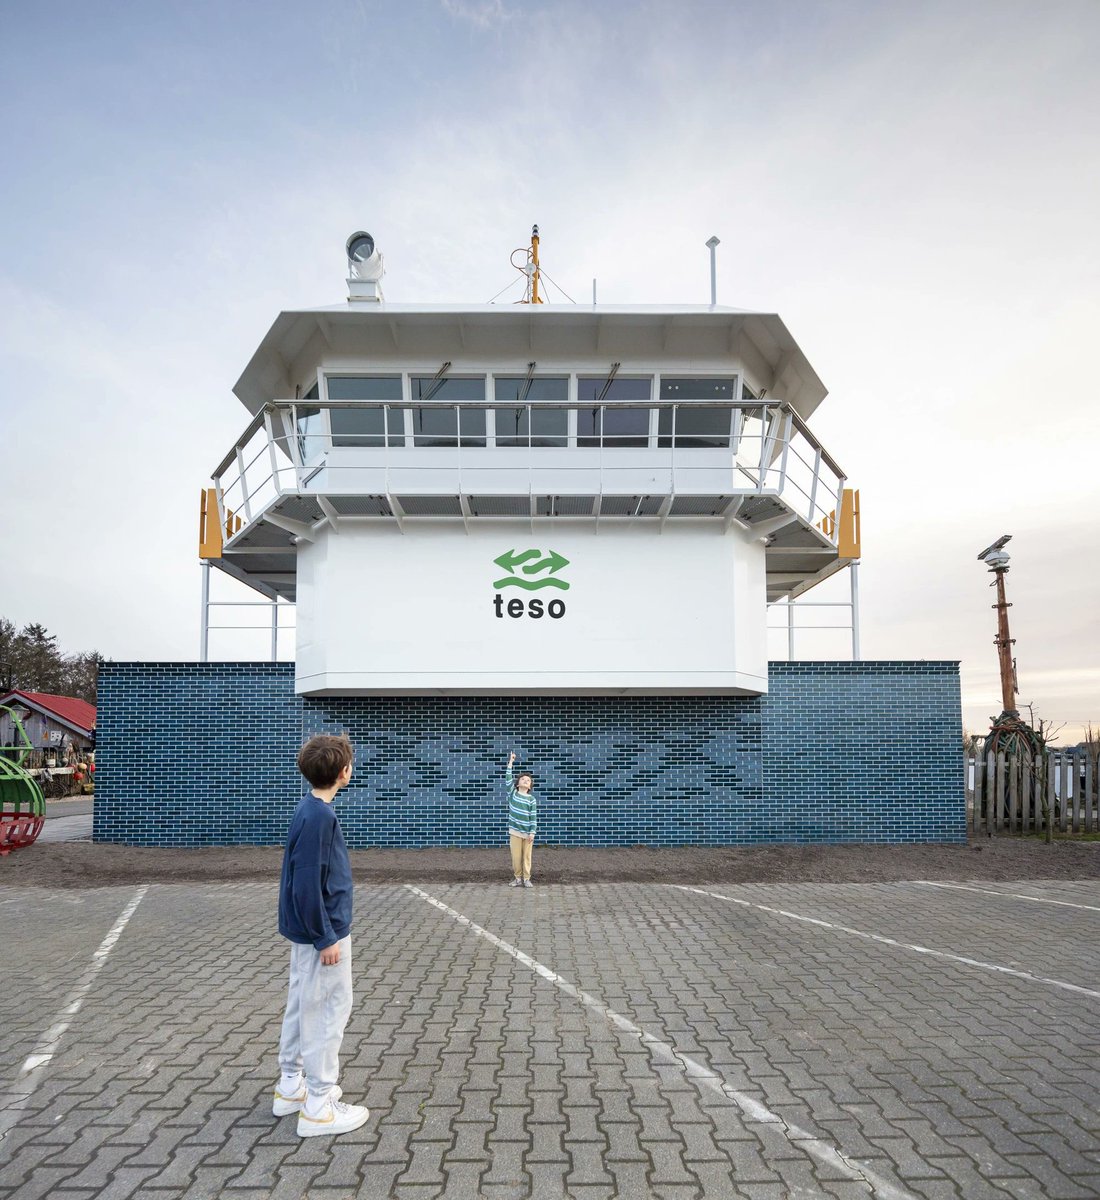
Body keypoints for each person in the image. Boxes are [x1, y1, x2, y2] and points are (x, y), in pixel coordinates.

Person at [272, 733, 369, 1137]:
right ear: (343, 772)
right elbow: (308, 883)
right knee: (327, 1011)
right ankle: (319, 1105)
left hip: (310, 931)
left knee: (302, 1004)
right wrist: (326, 936)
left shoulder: (309, 808)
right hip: (323, 934)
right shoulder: (320, 818)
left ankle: (291, 1086)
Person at [505, 749, 537, 888]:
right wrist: (511, 762)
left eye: (528, 780)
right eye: (523, 779)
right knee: (516, 857)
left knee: (526, 857)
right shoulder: (513, 794)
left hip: (527, 833)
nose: (525, 780)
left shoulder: (531, 799)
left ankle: (527, 878)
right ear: (517, 784)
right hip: (515, 832)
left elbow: (533, 818)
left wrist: (532, 832)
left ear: (530, 786)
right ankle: (518, 878)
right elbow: (508, 778)